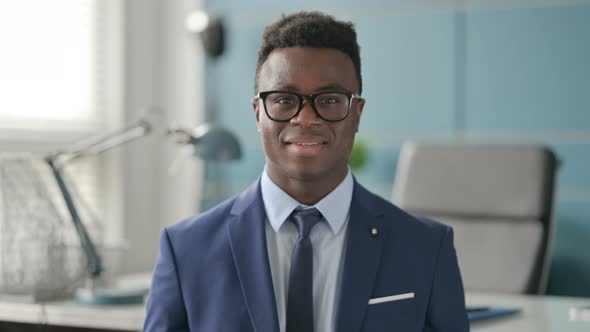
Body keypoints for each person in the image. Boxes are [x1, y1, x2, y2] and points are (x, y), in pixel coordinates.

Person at [144, 11, 469, 332]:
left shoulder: (426, 247)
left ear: (356, 114)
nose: (306, 118)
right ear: (258, 114)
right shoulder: (186, 249)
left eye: (329, 100)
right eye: (284, 99)